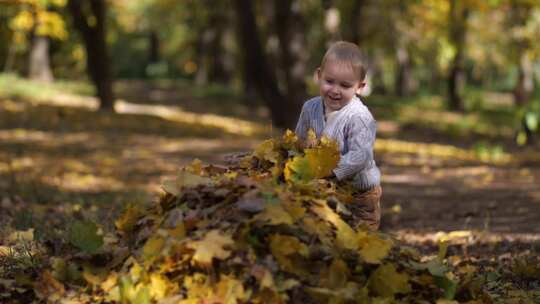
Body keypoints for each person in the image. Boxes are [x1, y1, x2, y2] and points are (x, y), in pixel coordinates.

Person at [295, 41, 382, 230]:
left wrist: (330, 170)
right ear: (319, 76)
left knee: (360, 235)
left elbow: (360, 156)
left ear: (359, 87)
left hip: (360, 193)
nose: (335, 90)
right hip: (323, 187)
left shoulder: (359, 117)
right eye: (329, 81)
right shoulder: (310, 108)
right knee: (327, 230)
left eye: (345, 85)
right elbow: (300, 140)